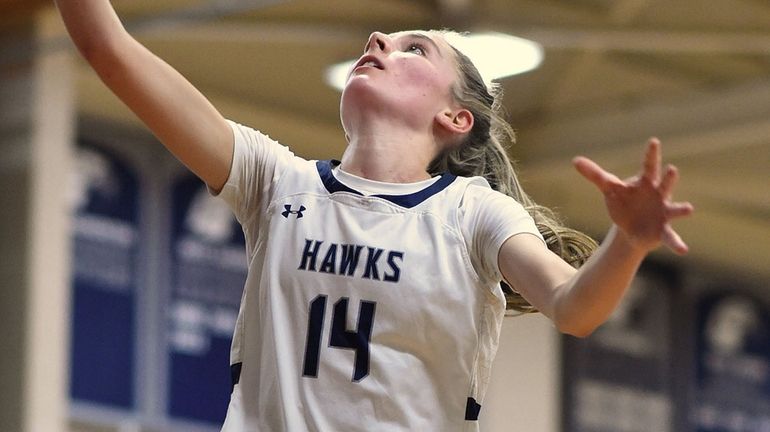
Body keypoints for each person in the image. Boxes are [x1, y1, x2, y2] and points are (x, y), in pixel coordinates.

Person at [55, 2, 694, 430]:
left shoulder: (472, 213)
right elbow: (107, 47)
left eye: (415, 48)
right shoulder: (275, 181)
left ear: (454, 118)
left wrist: (629, 241)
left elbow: (575, 307)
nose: (379, 39)